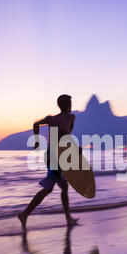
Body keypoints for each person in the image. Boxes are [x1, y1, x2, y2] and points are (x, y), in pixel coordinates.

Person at [17, 94, 78, 230]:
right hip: (57, 156)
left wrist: (37, 140)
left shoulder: (52, 118)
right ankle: (25, 214)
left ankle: (67, 218)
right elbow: (64, 132)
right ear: (68, 105)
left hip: (52, 155)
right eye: (70, 103)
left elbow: (36, 124)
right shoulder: (70, 117)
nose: (71, 105)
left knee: (59, 187)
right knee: (52, 187)